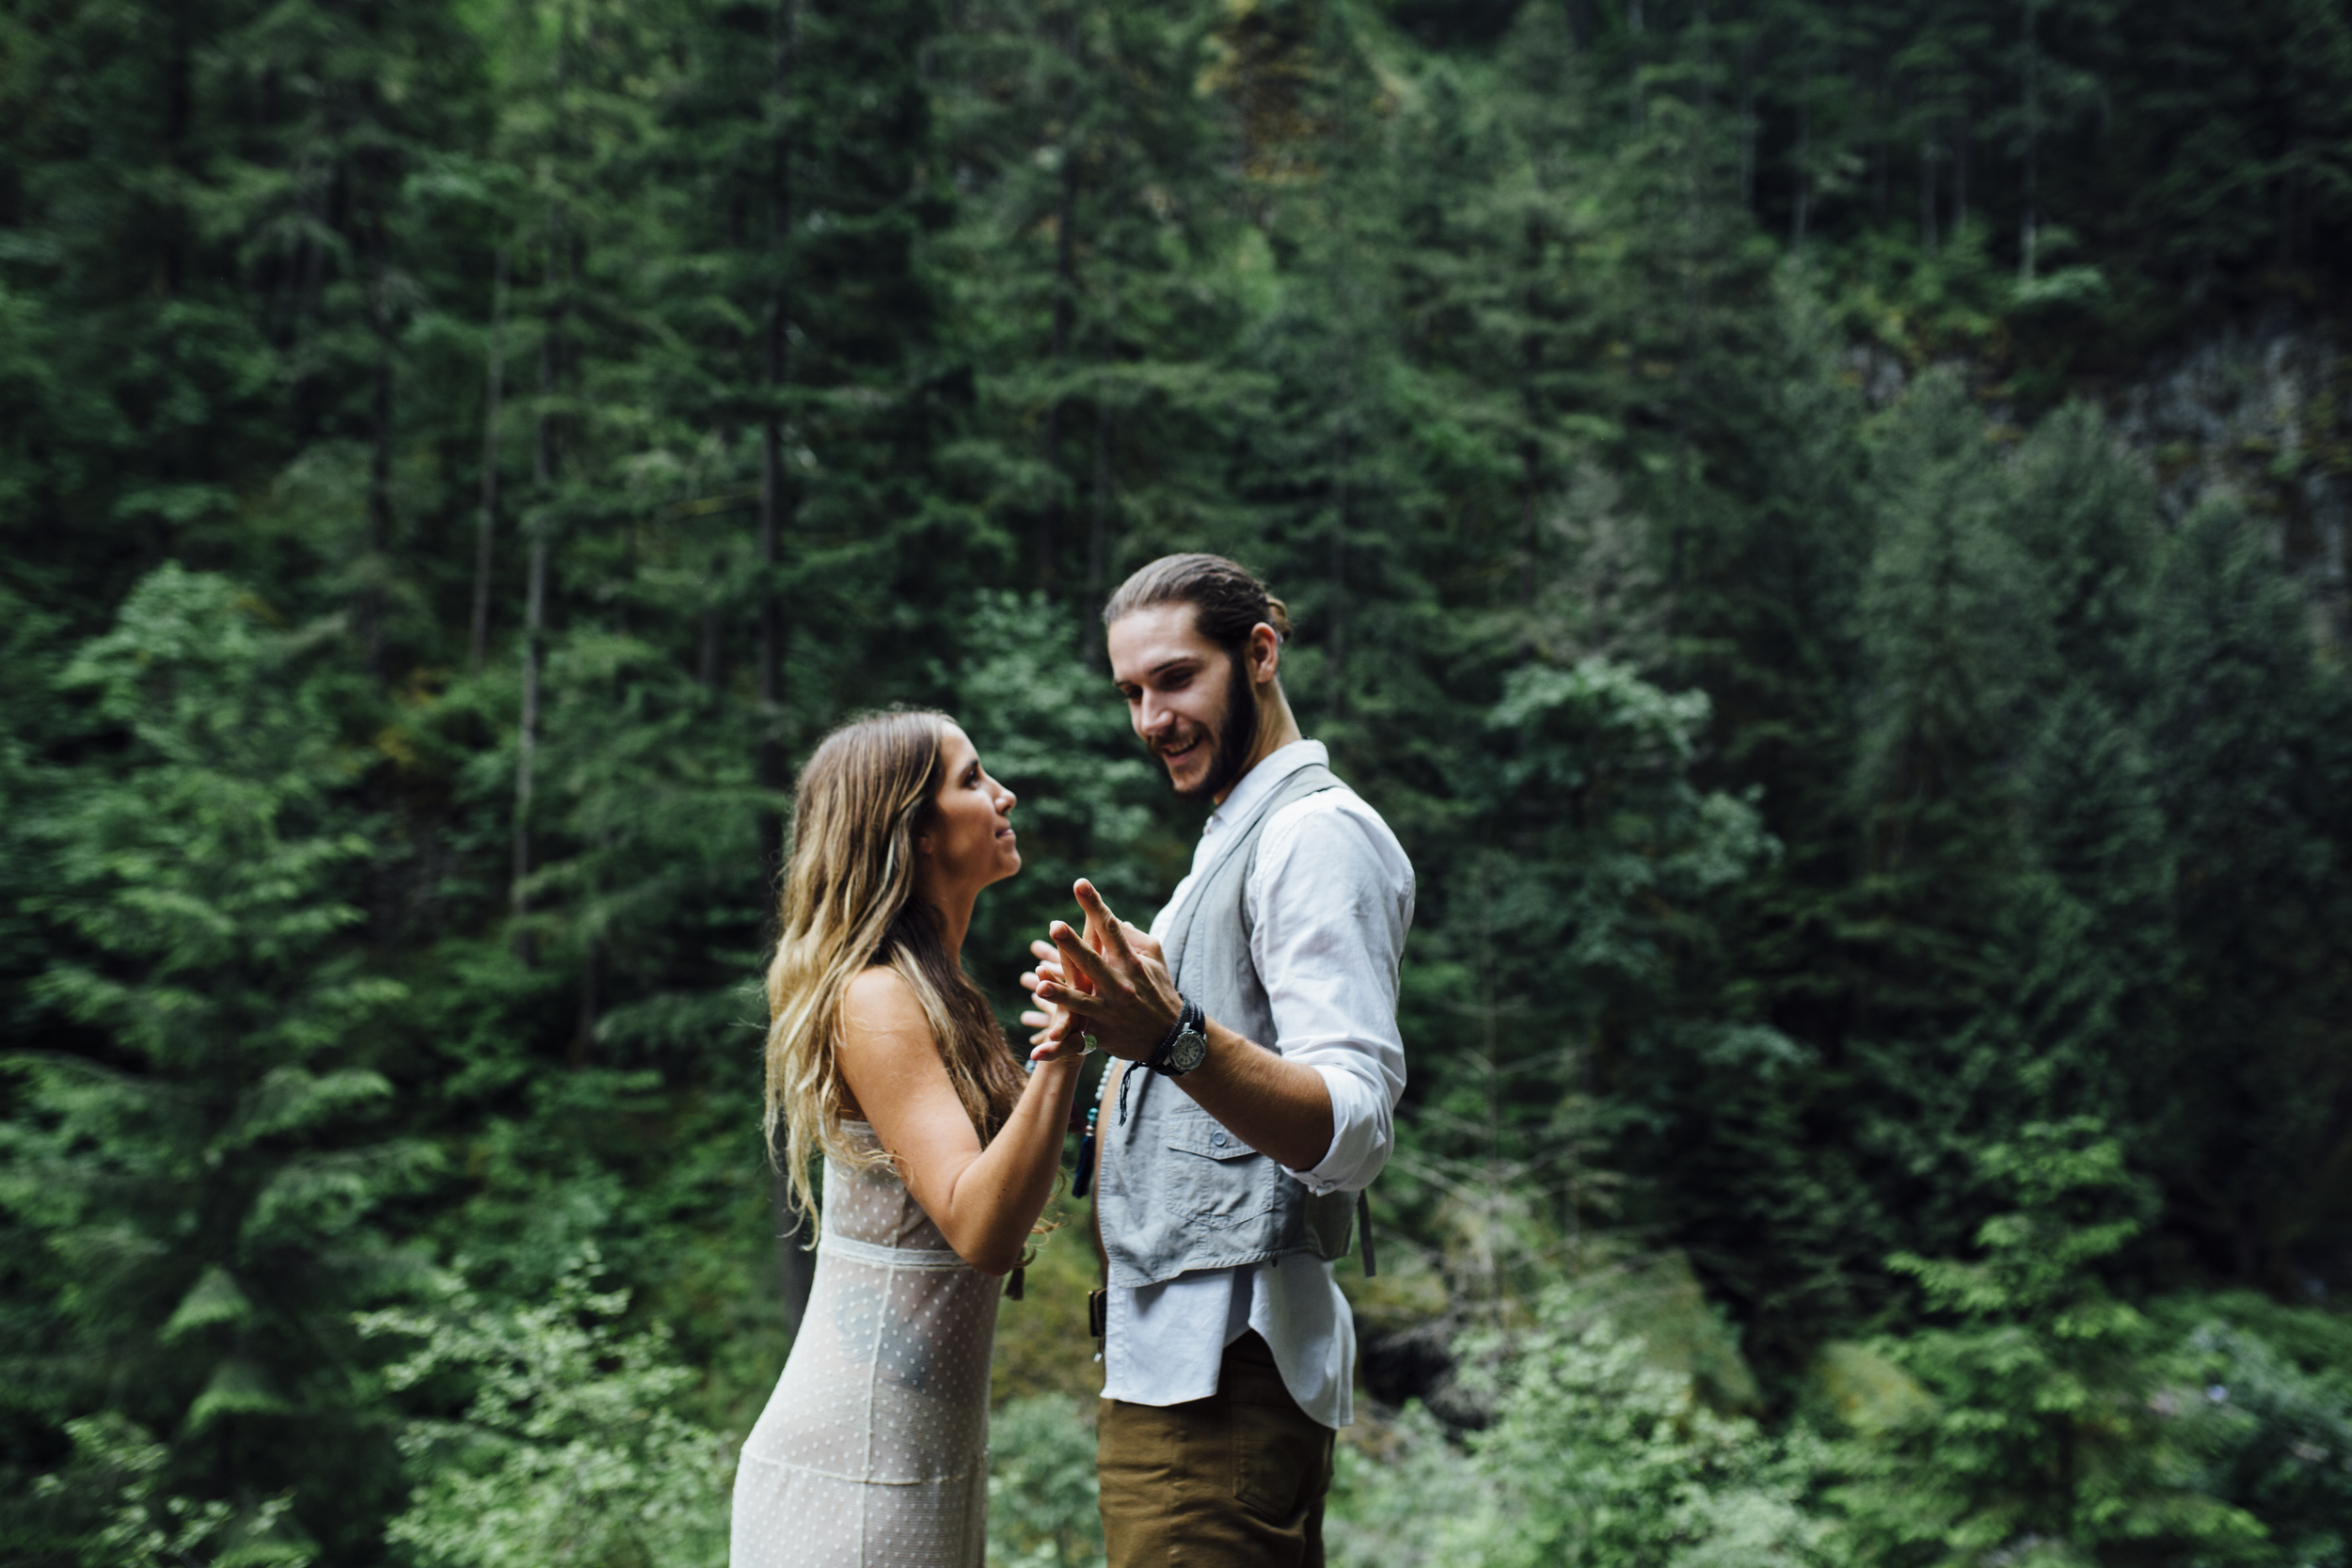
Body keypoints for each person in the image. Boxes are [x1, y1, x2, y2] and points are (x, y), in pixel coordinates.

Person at [1022, 554, 1414, 1567]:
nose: (1150, 717)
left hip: (1223, 1374)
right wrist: (1105, 1054)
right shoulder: (1232, 839)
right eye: (1131, 693)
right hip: (1180, 1370)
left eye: (1175, 678)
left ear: (1259, 654)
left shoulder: (1314, 837)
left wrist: (1171, 1038)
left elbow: (1355, 1124)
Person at [732, 709, 1087, 1568]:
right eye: (971, 779)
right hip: (854, 1474)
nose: (1003, 795)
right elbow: (981, 1226)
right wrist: (1065, 1047)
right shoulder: (878, 996)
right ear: (915, 833)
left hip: (917, 1467)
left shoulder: (944, 994)